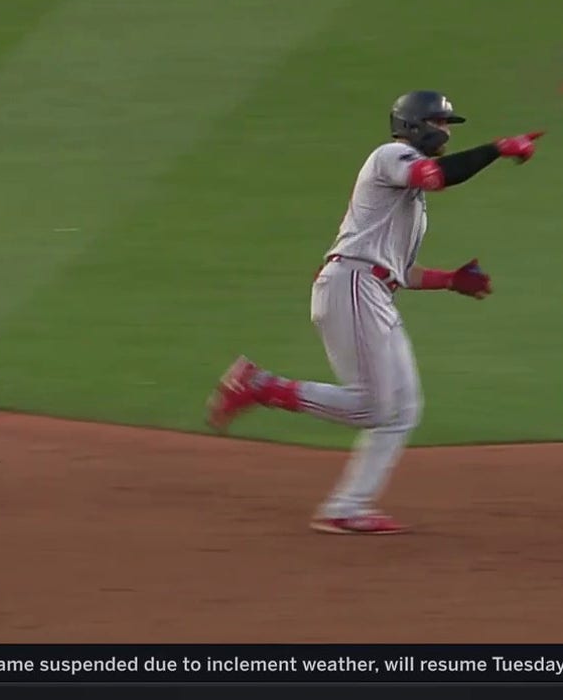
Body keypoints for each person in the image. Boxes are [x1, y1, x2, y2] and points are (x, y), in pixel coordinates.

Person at [206, 90, 544, 535]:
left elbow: (398, 271)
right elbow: (437, 176)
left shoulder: (408, 198)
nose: (445, 131)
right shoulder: (391, 156)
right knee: (374, 407)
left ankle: (347, 506)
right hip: (352, 285)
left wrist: (451, 280)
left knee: (403, 409)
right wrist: (497, 149)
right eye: (441, 123)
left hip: (370, 289)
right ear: (415, 125)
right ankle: (260, 385)